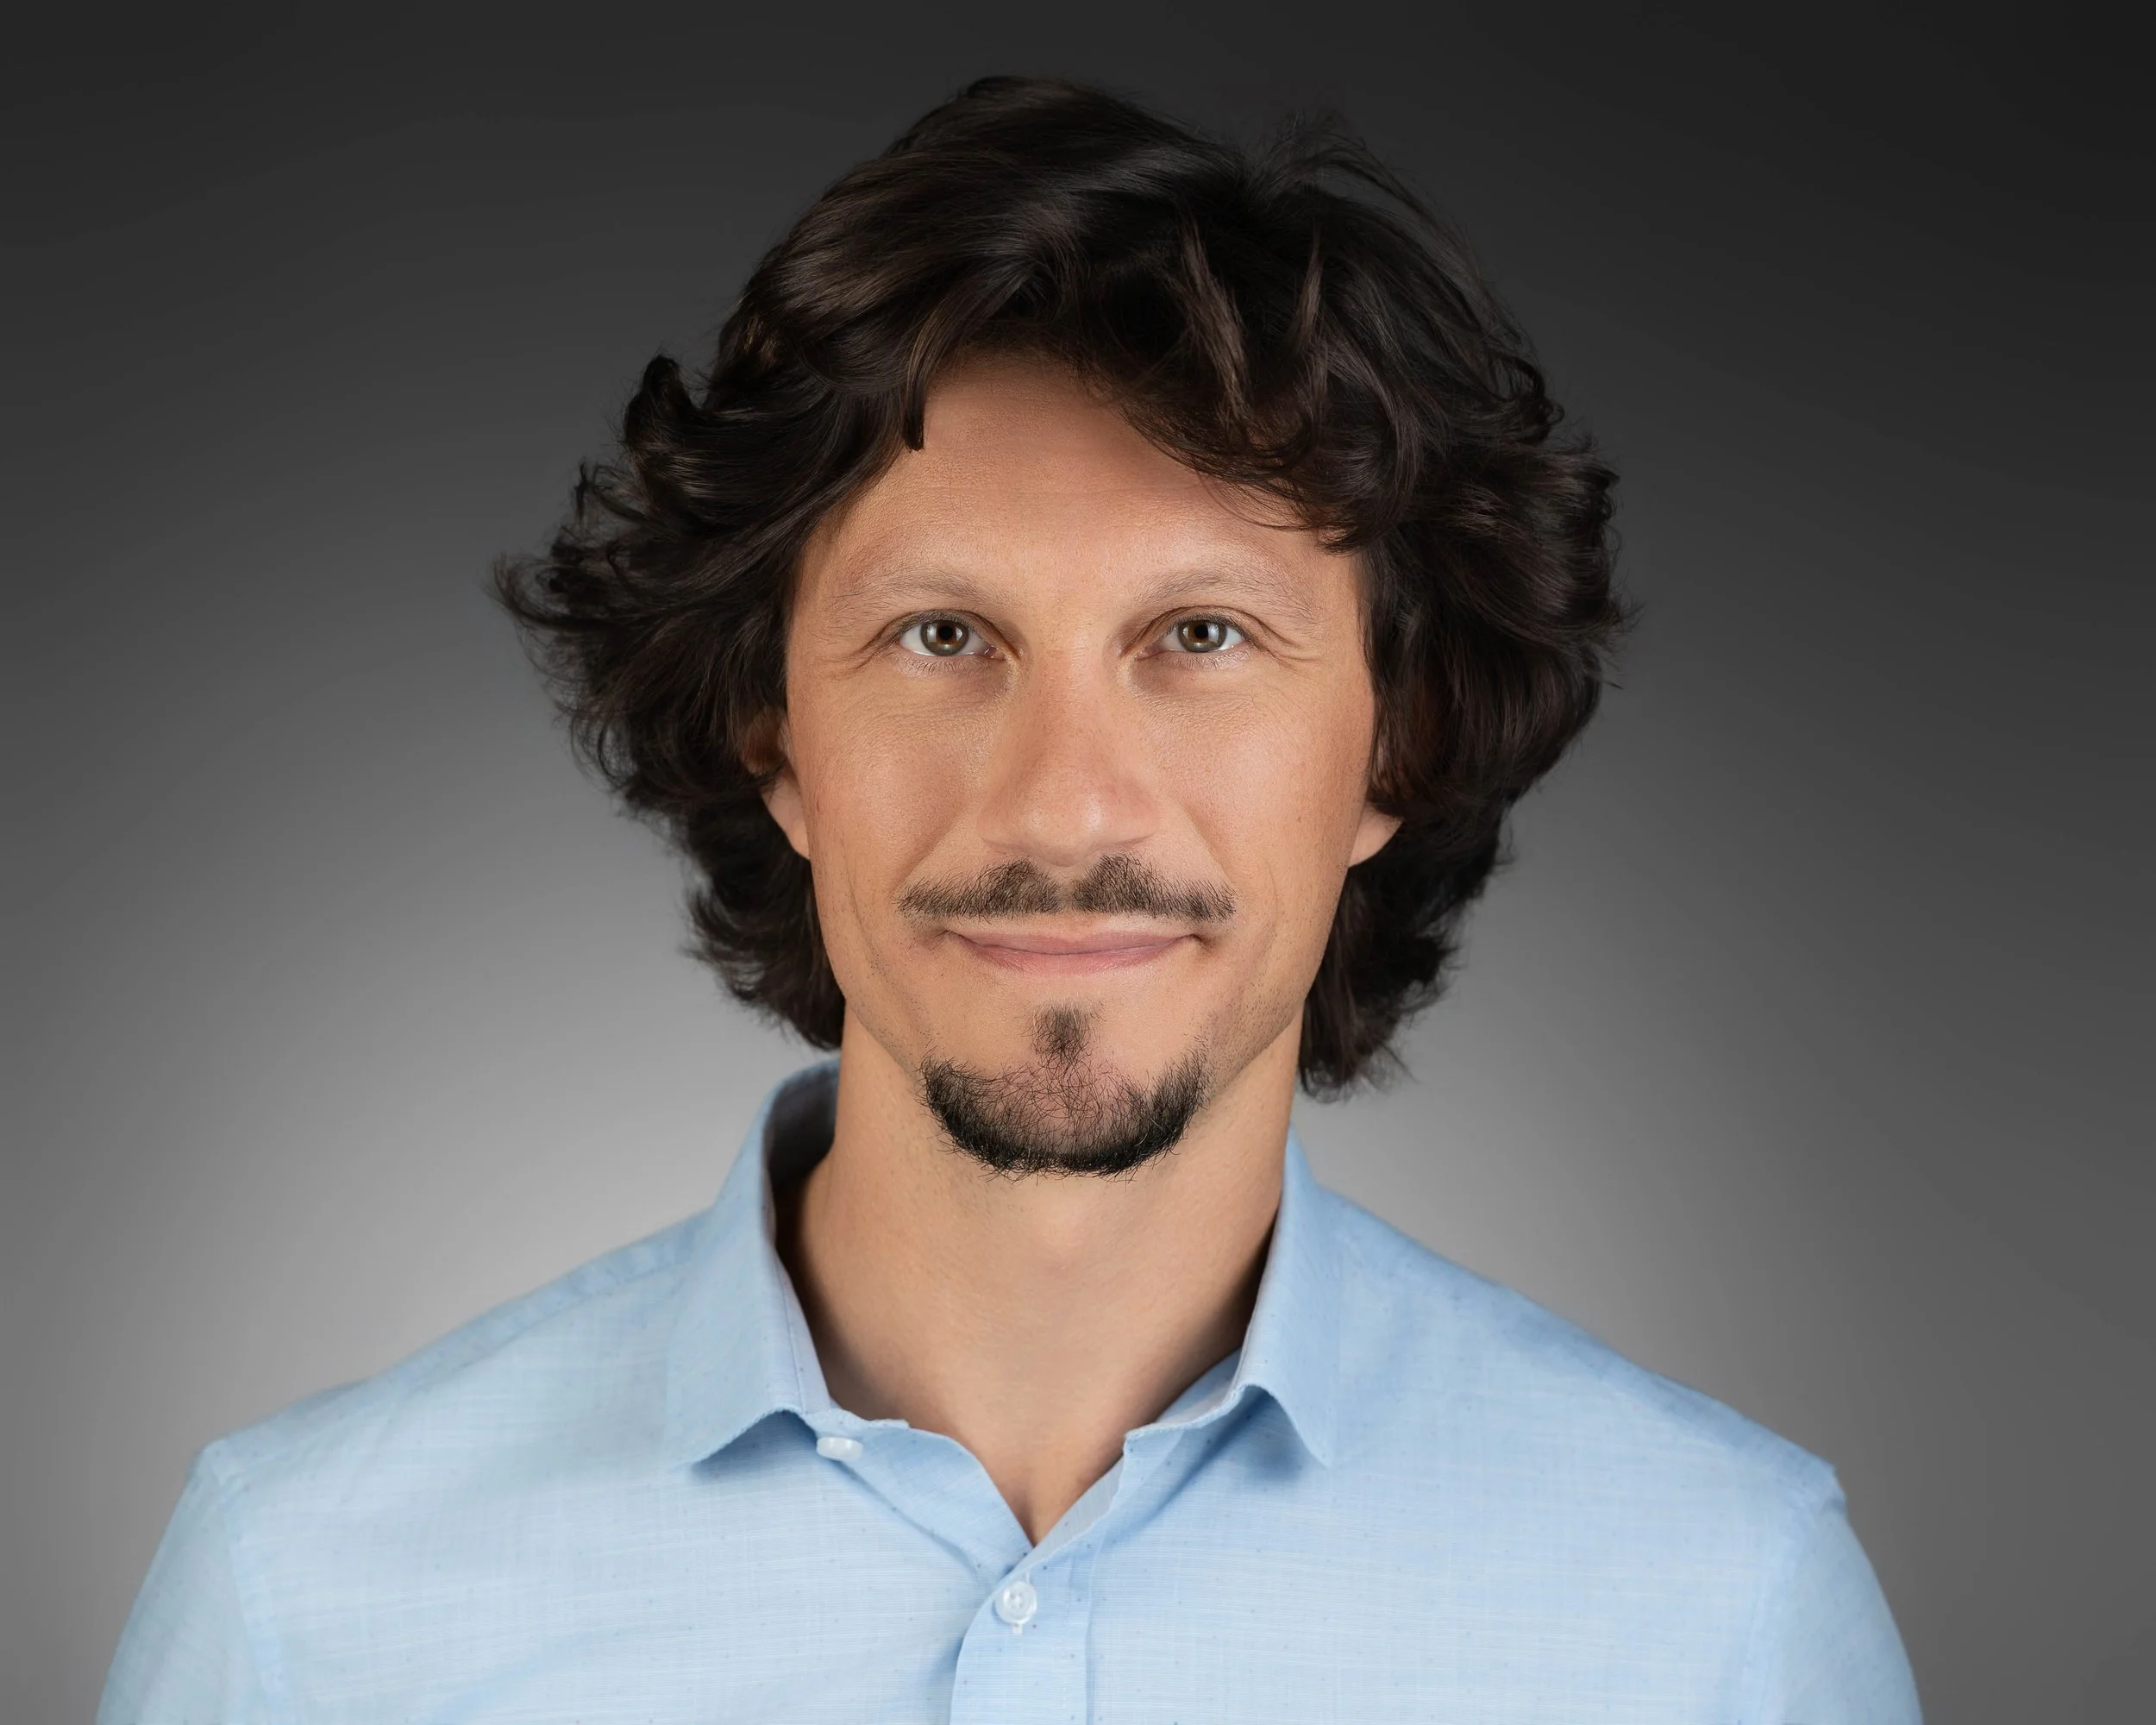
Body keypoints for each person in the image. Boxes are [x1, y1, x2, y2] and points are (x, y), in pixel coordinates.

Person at [100, 76, 1920, 1723]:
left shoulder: (1710, 1610)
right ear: (776, 738)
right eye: (942, 635)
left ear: (1394, 740)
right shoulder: (308, 1599)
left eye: (1198, 636)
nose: (1061, 796)